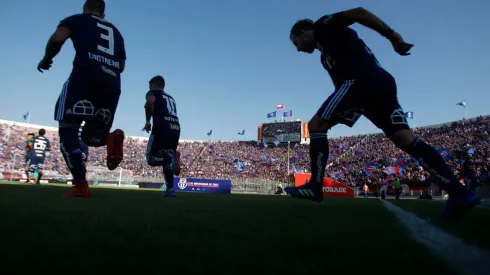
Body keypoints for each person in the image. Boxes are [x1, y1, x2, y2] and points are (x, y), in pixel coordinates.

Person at [284, 7, 480, 220]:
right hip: (380, 85)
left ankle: (315, 186)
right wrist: (347, 109)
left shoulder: (323, 25)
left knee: (316, 126)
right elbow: (338, 86)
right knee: (406, 140)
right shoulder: (326, 58)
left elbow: (358, 13)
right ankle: (459, 192)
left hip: (362, 81)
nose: (297, 49)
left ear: (305, 31)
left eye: (296, 42)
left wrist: (392, 35)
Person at [37, 0, 126, 197]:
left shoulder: (77, 20)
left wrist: (47, 58)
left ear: (85, 8)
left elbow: (58, 38)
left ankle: (80, 184)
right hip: (112, 84)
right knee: (90, 138)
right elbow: (121, 65)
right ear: (103, 12)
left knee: (68, 130)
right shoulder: (116, 32)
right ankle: (110, 138)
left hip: (84, 78)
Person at [144, 75, 181, 197]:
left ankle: (169, 159)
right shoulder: (171, 98)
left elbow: (149, 102)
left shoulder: (153, 92)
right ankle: (170, 190)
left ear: (154, 85)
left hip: (161, 127)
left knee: (151, 159)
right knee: (167, 161)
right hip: (175, 128)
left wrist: (148, 121)